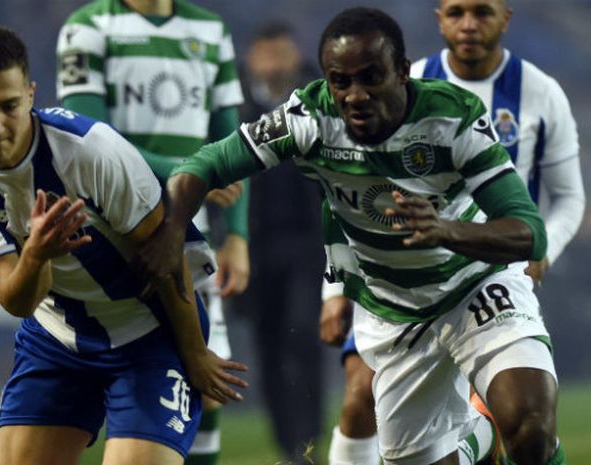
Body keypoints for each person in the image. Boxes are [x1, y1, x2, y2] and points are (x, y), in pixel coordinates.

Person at [132, 6, 569, 465]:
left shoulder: (452, 118)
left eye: (370, 77)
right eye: (341, 81)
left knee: (531, 428)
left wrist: (448, 230)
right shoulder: (308, 117)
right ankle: (480, 438)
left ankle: (505, 431)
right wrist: (171, 228)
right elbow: (200, 167)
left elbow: (528, 232)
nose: (355, 95)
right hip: (395, 312)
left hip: (474, 288)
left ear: (402, 72)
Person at [0, 24, 247, 465]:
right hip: (57, 335)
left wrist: (193, 352)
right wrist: (37, 255)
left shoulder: (90, 151)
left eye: (9, 107)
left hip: (148, 333)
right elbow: (16, 300)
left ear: (31, 95)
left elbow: (166, 254)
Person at [322, 1, 585, 464]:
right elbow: (347, 188)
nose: (468, 24)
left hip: (487, 270)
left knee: (526, 423)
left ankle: (482, 437)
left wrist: (541, 251)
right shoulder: (391, 81)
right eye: (457, 11)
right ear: (438, 16)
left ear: (505, 18)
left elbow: (569, 198)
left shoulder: (541, 93)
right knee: (360, 392)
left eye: (482, 12)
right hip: (394, 282)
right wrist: (332, 290)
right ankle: (477, 438)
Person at [55, 2, 249, 462]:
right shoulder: (88, 28)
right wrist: (192, 170)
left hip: (188, 232)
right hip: (115, 232)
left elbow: (238, 143)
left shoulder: (210, 29)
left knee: (211, 384)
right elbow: (88, 140)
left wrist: (239, 236)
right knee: (162, 371)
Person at [236, 22, 326, 464]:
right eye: (265, 56)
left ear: (295, 56)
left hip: (309, 245)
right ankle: (287, 442)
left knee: (303, 334)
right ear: (253, 60)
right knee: (268, 345)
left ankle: (309, 432)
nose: (273, 65)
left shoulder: (320, 98)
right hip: (254, 248)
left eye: (280, 55)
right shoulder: (233, 105)